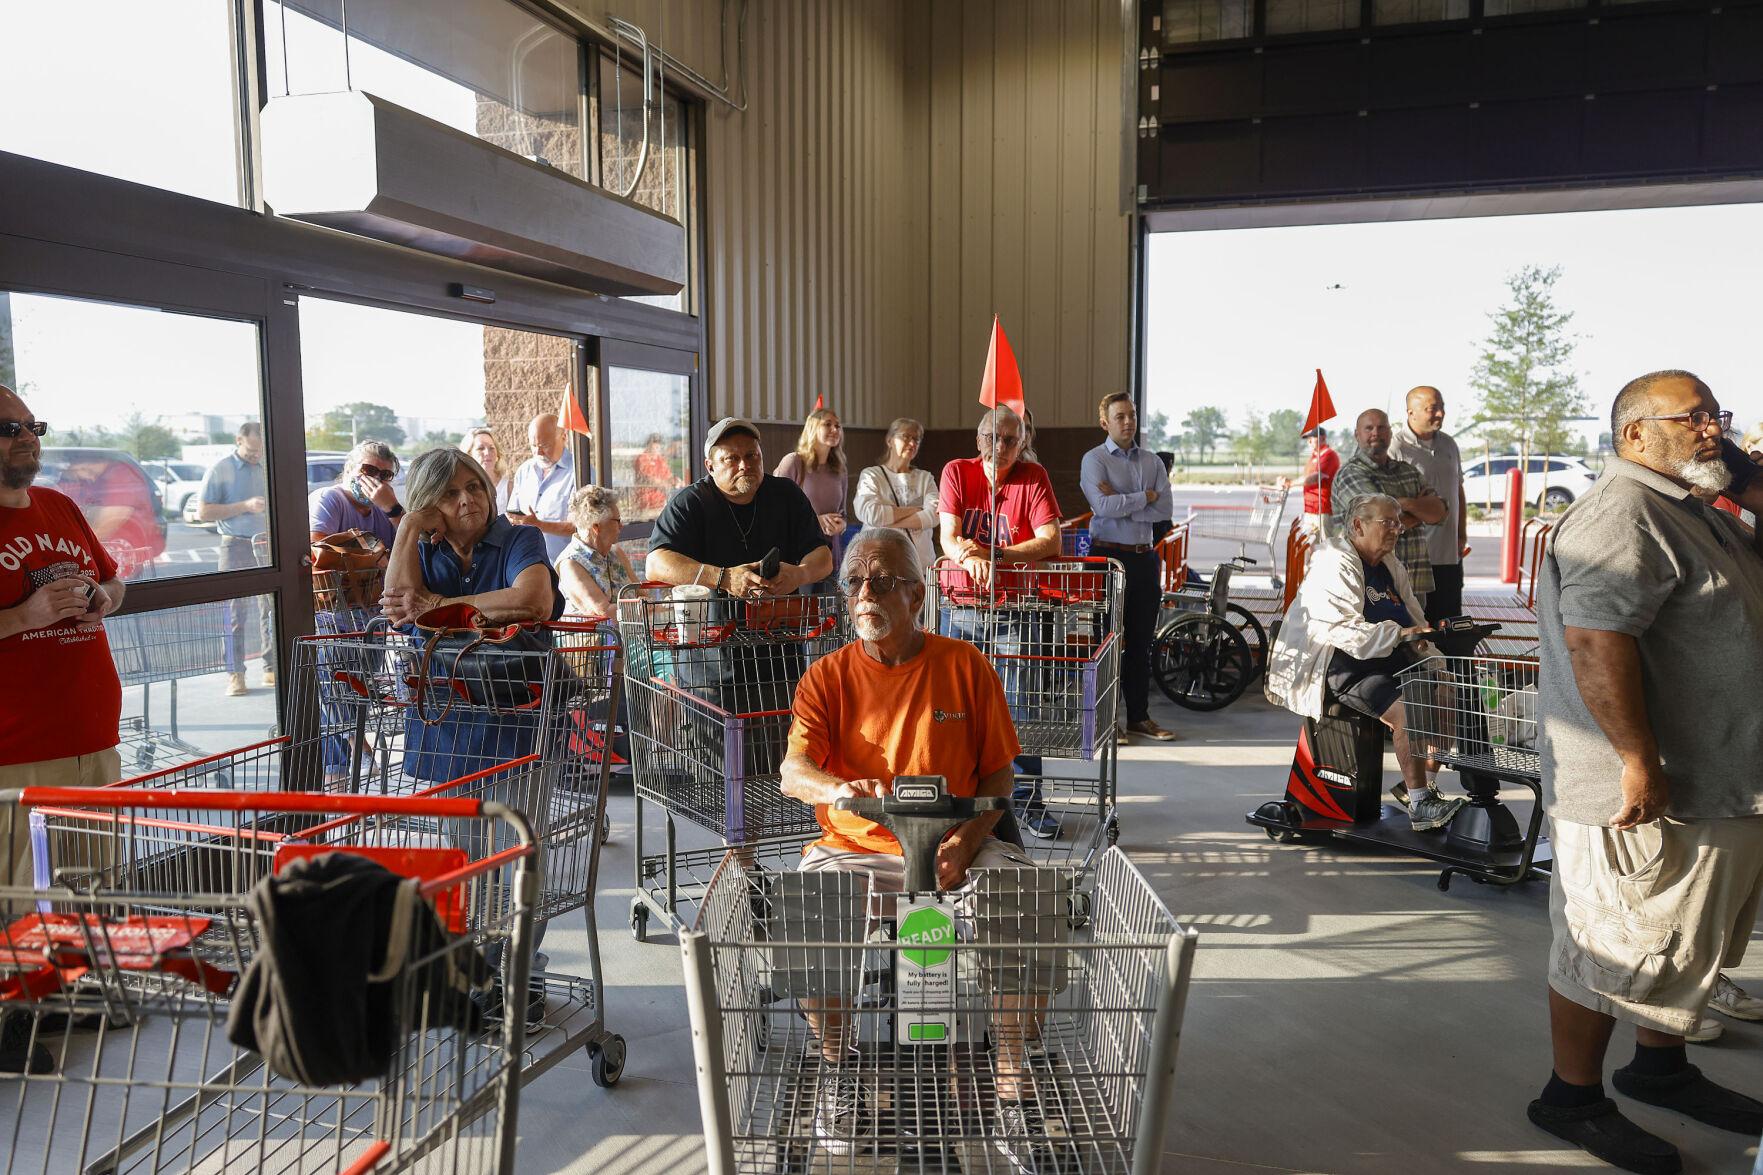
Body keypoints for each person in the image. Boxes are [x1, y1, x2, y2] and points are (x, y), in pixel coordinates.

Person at [1527, 369, 1763, 1174]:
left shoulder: (1693, 506)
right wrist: (1636, 758)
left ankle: (1658, 1067)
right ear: (1634, 434)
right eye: (1692, 417)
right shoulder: (1622, 513)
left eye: (1715, 415)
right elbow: (1597, 641)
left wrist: (1745, 473)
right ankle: (1571, 1096)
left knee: (1677, 939)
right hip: (1639, 789)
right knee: (1607, 944)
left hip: (1712, 777)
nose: (1711, 431)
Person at [779, 527, 1048, 1168]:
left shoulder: (964, 666)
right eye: (855, 582)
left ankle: (1010, 1088)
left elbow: (1000, 775)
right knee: (813, 910)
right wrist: (838, 787)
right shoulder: (826, 677)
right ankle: (840, 1070)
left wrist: (968, 838)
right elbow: (794, 772)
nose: (865, 592)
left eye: (883, 580)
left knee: (1029, 908)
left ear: (918, 596)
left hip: (956, 842)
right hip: (859, 846)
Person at [381, 447, 564, 1025]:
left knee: (520, 857)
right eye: (450, 492)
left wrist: (441, 607)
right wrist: (408, 525)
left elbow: (532, 599)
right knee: (467, 860)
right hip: (446, 721)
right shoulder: (424, 543)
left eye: (475, 487)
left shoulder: (517, 540)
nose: (467, 500)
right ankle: (481, 974)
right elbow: (397, 606)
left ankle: (522, 977)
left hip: (519, 716)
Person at [0, 383, 126, 1075]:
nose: (25, 436)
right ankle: (9, 1019)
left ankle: (62, 994)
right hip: (14, 748)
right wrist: (25, 614)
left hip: (90, 734)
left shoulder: (61, 506)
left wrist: (103, 597)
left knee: (82, 881)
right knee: (18, 893)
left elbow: (115, 582)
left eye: (31, 424)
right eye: (7, 427)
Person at [1263, 493, 1468, 833]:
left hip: (1387, 656)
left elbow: (1413, 614)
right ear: (1358, 525)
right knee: (1407, 711)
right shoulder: (1334, 563)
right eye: (1388, 522)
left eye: (1398, 523)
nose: (1397, 530)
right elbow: (1344, 631)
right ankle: (1420, 807)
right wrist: (1402, 633)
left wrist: (1431, 648)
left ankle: (1420, 788)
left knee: (1446, 689)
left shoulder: (1389, 564)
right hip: (1342, 664)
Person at [938, 404, 1062, 838]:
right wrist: (966, 556)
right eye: (993, 437)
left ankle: (1027, 802)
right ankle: (961, 800)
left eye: (1011, 439)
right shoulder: (957, 471)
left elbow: (1050, 539)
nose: (1001, 447)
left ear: (1022, 442)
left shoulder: (1034, 477)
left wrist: (998, 555)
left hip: (1014, 610)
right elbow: (947, 535)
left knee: (1018, 709)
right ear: (978, 440)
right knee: (955, 709)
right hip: (960, 607)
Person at [645, 417, 833, 598]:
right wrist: (724, 578)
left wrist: (800, 574)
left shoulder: (786, 494)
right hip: (714, 627)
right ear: (710, 467)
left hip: (785, 622)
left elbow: (823, 557)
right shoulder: (690, 502)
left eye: (752, 455)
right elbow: (655, 564)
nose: (744, 465)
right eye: (731, 459)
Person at [1080, 392, 1177, 742]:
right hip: (1107, 558)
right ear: (1105, 422)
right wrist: (1143, 498)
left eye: (1132, 415)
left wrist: (1127, 501)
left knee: (1140, 642)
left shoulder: (1151, 462)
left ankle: (1138, 717)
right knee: (1106, 641)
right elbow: (1102, 507)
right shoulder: (1094, 461)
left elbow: (1163, 509)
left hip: (1143, 557)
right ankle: (1105, 720)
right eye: (1120, 416)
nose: (1128, 422)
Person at [1328, 409, 1445, 604]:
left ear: (1390, 434)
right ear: (1357, 435)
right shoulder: (1350, 474)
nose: (1376, 432)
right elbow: (1376, 524)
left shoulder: (1408, 471)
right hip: (1371, 586)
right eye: (1369, 428)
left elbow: (1440, 512)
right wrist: (1417, 510)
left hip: (1415, 583)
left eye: (1381, 427)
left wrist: (1404, 505)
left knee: (1418, 632)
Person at [197, 421, 273, 696]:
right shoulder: (222, 469)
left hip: (267, 545)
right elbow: (203, 512)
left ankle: (271, 667)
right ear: (238, 440)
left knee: (270, 609)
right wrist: (244, 506)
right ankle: (235, 674)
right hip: (235, 545)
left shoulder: (268, 466)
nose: (256, 456)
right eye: (252, 451)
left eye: (260, 452)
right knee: (234, 613)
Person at [1388, 386, 1469, 623]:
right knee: (1416, 627)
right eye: (1432, 409)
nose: (1440, 414)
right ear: (1410, 412)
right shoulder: (1396, 448)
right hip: (1412, 558)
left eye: (1442, 407)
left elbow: (1458, 490)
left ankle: (1448, 662)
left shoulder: (1449, 444)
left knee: (1449, 624)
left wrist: (1462, 534)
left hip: (1449, 555)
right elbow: (1390, 506)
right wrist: (1418, 508)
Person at [852, 417, 939, 571]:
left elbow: (934, 515)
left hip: (920, 567)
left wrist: (886, 522)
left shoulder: (925, 478)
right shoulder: (871, 475)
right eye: (906, 437)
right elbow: (871, 514)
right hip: (879, 565)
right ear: (889, 440)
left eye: (916, 439)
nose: (912, 443)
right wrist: (915, 510)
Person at [773, 408, 849, 583]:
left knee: (830, 610)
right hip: (800, 559)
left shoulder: (840, 470)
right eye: (827, 424)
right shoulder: (794, 462)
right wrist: (816, 520)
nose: (835, 429)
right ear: (812, 427)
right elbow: (776, 509)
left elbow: (843, 514)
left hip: (832, 557)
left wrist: (841, 525)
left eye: (838, 425)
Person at [555, 485, 635, 619]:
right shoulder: (570, 563)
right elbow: (605, 612)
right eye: (617, 521)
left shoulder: (615, 552)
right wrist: (644, 608)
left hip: (627, 636)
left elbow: (642, 593)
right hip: (591, 639)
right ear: (596, 527)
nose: (621, 526)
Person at [506, 412, 577, 563]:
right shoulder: (524, 471)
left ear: (563, 437)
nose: (538, 452)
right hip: (527, 565)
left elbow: (577, 526)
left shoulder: (579, 473)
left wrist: (539, 525)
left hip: (565, 568)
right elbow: (513, 515)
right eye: (533, 446)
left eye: (544, 445)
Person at [308, 440, 403, 549]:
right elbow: (317, 549)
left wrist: (394, 510)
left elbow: (413, 543)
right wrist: (374, 557)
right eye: (369, 470)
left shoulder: (385, 509)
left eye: (385, 475)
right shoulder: (329, 498)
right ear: (349, 470)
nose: (376, 479)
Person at [459, 427, 513, 515]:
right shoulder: (461, 488)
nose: (487, 453)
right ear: (469, 454)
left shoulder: (510, 487)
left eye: (491, 448)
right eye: (481, 448)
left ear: (497, 455)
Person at [1299, 426, 1340, 539]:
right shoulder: (1313, 456)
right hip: (1310, 508)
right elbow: (1305, 478)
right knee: (1308, 545)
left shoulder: (1329, 455)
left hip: (1323, 509)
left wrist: (1290, 483)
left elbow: (1314, 478)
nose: (1309, 441)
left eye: (1312, 438)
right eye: (1308, 439)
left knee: (1326, 545)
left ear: (1322, 438)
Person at [632, 433, 681, 516]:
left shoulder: (660, 459)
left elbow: (669, 476)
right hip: (646, 505)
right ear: (648, 445)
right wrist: (669, 484)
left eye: (658, 447)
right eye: (654, 447)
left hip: (661, 504)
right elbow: (651, 480)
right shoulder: (642, 459)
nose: (656, 449)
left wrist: (676, 480)